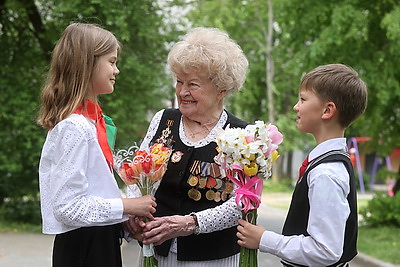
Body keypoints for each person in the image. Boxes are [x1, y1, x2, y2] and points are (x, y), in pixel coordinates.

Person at [125, 27, 249, 266]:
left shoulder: (241, 135)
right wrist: (134, 210)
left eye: (193, 84)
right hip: (156, 250)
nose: (182, 92)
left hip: (213, 257)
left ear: (221, 89)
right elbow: (138, 173)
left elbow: (242, 202)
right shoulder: (164, 120)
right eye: (179, 81)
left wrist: (191, 223)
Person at [37, 23, 157, 267]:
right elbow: (67, 207)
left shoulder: (92, 124)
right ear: (88, 65)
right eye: (111, 62)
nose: (117, 70)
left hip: (97, 241)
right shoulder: (75, 127)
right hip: (85, 248)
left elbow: (95, 192)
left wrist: (124, 220)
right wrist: (127, 205)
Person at [237, 63, 368, 266]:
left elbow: (325, 251)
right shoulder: (326, 163)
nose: (296, 106)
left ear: (327, 110)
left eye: (303, 99)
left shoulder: (326, 173)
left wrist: (264, 239)